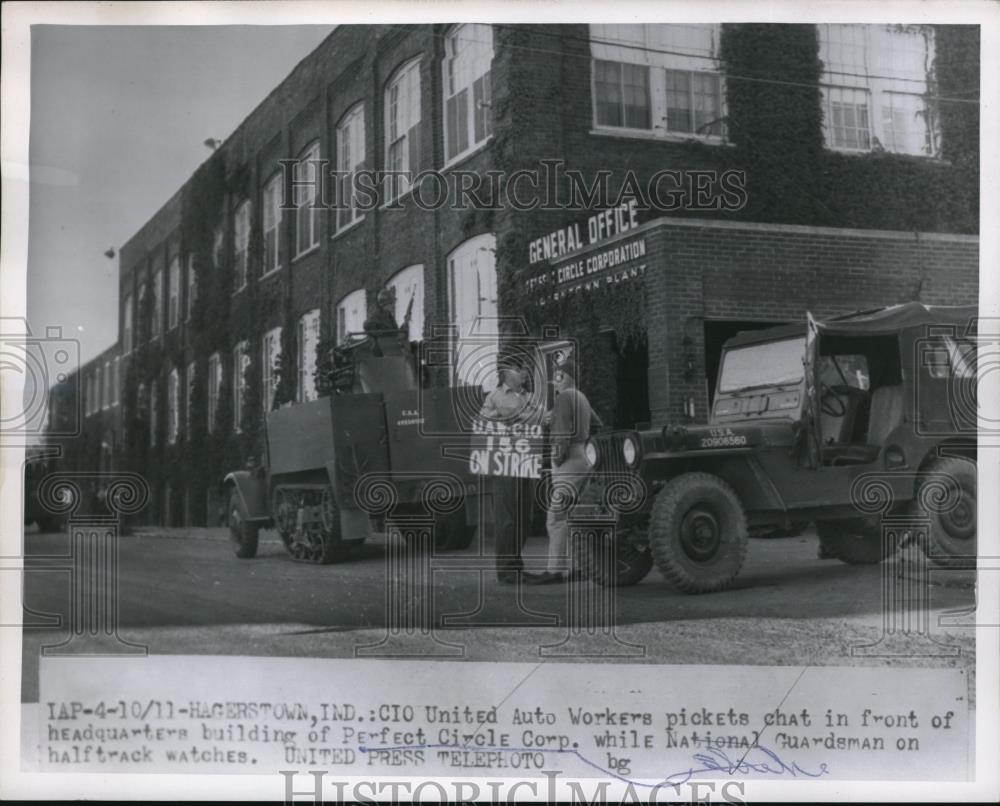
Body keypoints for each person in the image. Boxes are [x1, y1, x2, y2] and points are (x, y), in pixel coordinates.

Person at [525, 368, 601, 585]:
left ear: (567, 377)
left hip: (568, 459)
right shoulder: (582, 397)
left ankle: (555, 570)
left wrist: (556, 460)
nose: (554, 383)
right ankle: (577, 567)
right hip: (584, 455)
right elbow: (598, 423)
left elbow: (561, 436)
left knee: (556, 516)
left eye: (558, 378)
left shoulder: (564, 398)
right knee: (573, 516)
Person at [479, 361, 541, 584]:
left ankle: (516, 565)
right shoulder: (494, 397)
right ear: (505, 374)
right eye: (519, 369)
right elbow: (484, 424)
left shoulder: (530, 397)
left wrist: (518, 419)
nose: (525, 372)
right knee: (507, 518)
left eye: (525, 368)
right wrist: (510, 420)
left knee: (526, 516)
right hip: (504, 462)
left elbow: (540, 419)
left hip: (526, 458)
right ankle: (507, 570)